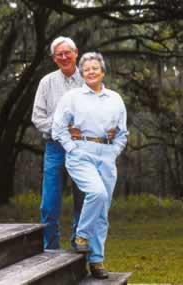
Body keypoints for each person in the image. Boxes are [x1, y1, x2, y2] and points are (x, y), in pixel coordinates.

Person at [52, 52, 128, 279]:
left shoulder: (115, 98)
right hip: (80, 152)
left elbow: (123, 133)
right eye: (87, 69)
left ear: (103, 72)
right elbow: (58, 128)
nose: (91, 72)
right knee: (97, 194)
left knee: (103, 212)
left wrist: (113, 152)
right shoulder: (72, 97)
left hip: (106, 154)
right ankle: (81, 236)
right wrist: (73, 149)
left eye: (95, 68)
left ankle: (97, 261)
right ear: (82, 74)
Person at [31, 36, 85, 250]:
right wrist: (61, 129)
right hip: (55, 147)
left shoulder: (89, 78)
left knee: (82, 199)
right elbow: (37, 117)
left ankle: (79, 246)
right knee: (49, 202)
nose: (64, 57)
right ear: (54, 58)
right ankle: (50, 249)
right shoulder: (46, 82)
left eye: (67, 53)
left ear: (76, 53)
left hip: (82, 148)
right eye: (58, 55)